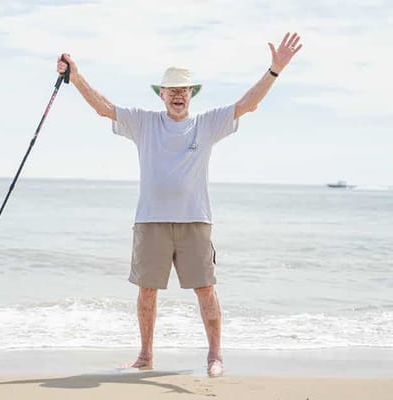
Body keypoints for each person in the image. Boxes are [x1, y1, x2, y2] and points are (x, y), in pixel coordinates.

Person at [58, 32, 303, 376]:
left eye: (183, 90)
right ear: (161, 94)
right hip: (151, 221)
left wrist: (275, 70)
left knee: (205, 289)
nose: (177, 95)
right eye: (171, 90)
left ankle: (215, 356)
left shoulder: (207, 124)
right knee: (147, 291)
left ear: (191, 94)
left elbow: (247, 103)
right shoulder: (144, 122)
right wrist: (76, 76)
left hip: (195, 221)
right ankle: (145, 356)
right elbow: (103, 108)